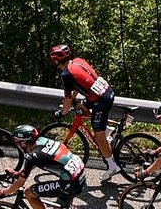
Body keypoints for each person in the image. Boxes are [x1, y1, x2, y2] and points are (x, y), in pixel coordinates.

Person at [0, 124, 86, 209]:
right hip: (80, 174)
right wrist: (18, 173)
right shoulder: (42, 141)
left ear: (24, 143)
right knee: (60, 207)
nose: (18, 147)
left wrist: (3, 192)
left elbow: (20, 184)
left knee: (29, 193)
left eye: (18, 144)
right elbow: (41, 159)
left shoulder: (31, 156)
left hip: (70, 182)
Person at [49, 44, 120, 175]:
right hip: (105, 91)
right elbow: (78, 85)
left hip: (100, 100)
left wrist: (62, 113)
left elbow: (68, 99)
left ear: (56, 60)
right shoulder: (78, 61)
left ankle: (113, 166)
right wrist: (72, 104)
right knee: (80, 106)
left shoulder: (66, 74)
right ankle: (107, 129)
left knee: (98, 137)